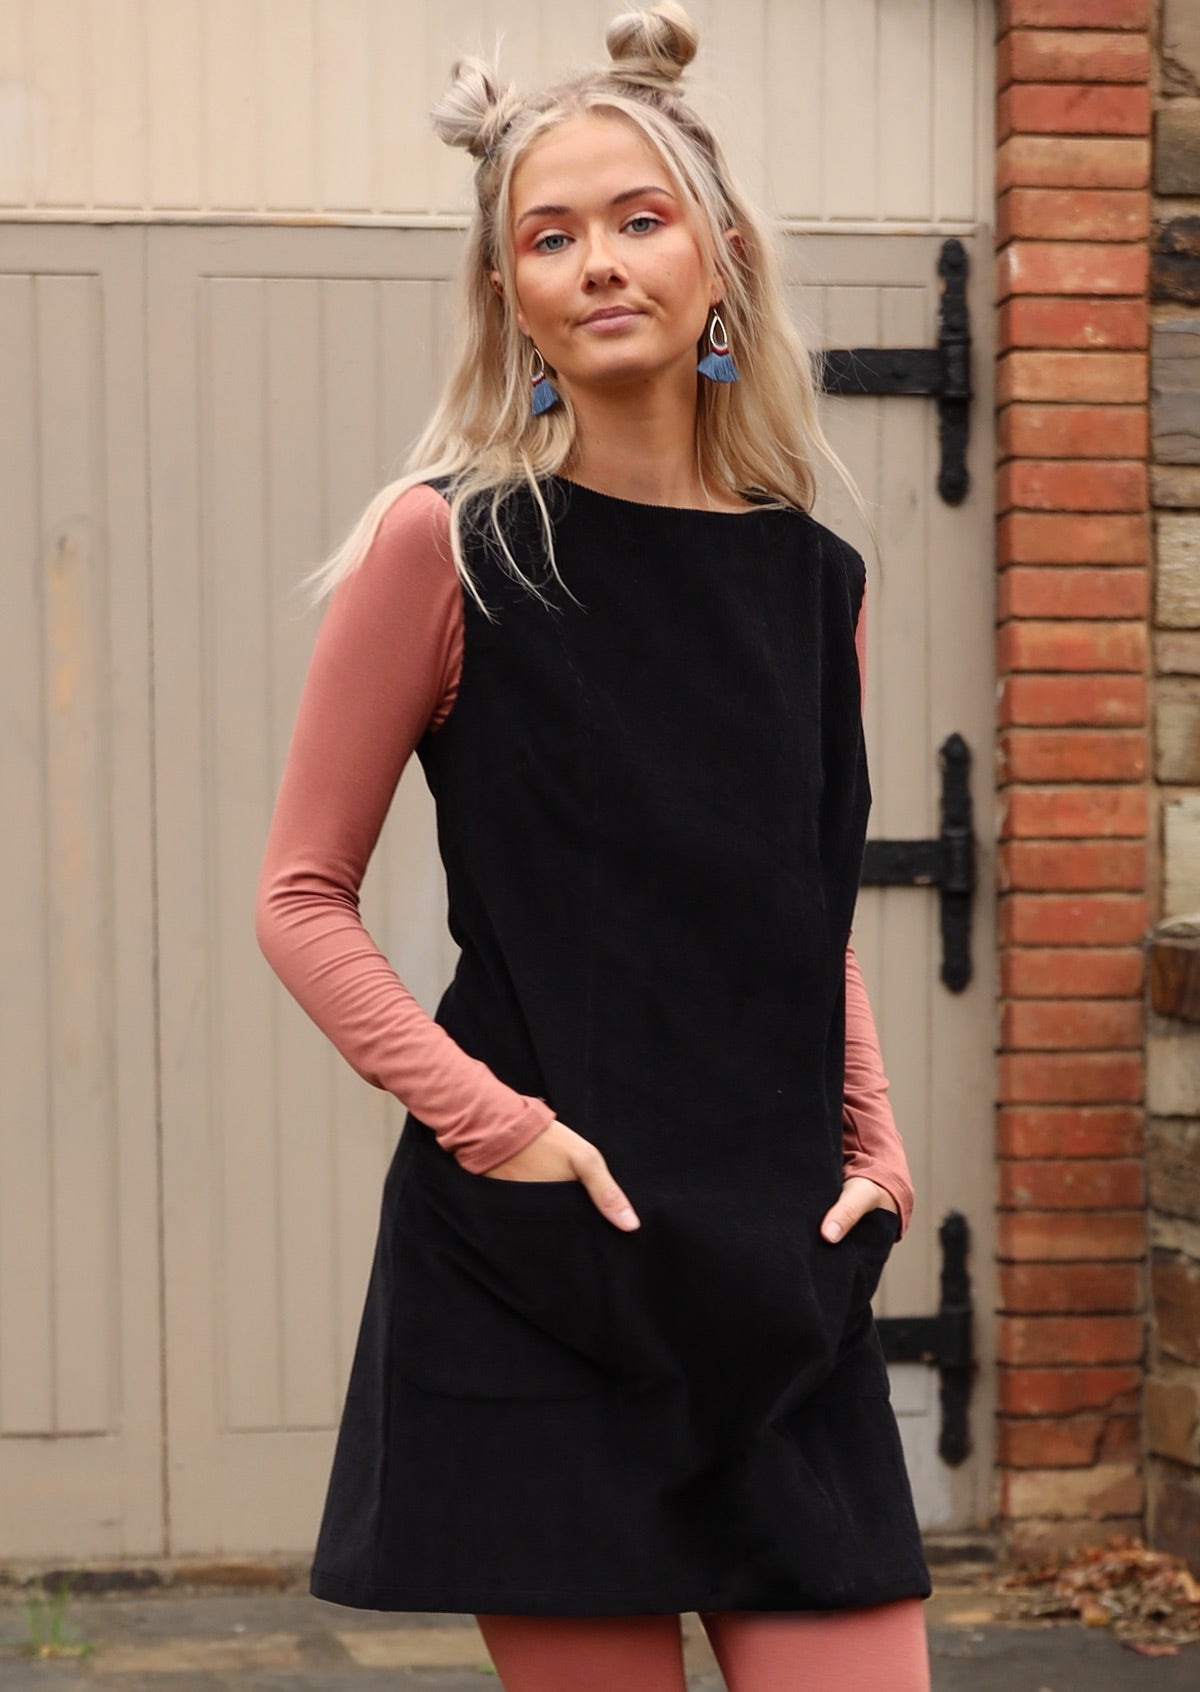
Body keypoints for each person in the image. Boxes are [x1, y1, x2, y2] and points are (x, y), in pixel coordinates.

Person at [254, 5, 933, 1688]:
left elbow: (802, 914)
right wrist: (500, 1134)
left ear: (722, 262)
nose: (600, 262)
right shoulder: (447, 546)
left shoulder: (815, 584)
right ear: (511, 295)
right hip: (543, 1269)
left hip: (781, 1270)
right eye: (549, 237)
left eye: (639, 219)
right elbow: (299, 900)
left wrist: (875, 1140)